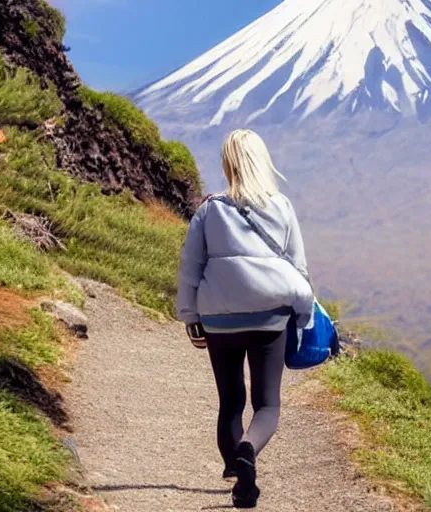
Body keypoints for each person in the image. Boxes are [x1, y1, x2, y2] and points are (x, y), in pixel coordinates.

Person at [177, 129, 314, 509]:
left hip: (220, 320)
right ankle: (248, 450)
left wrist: (191, 318)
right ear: (261, 161)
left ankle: (236, 470)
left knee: (230, 400)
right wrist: (303, 316)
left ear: (228, 163)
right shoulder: (281, 206)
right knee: (267, 406)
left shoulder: (209, 209)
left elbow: (191, 268)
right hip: (270, 317)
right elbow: (297, 268)